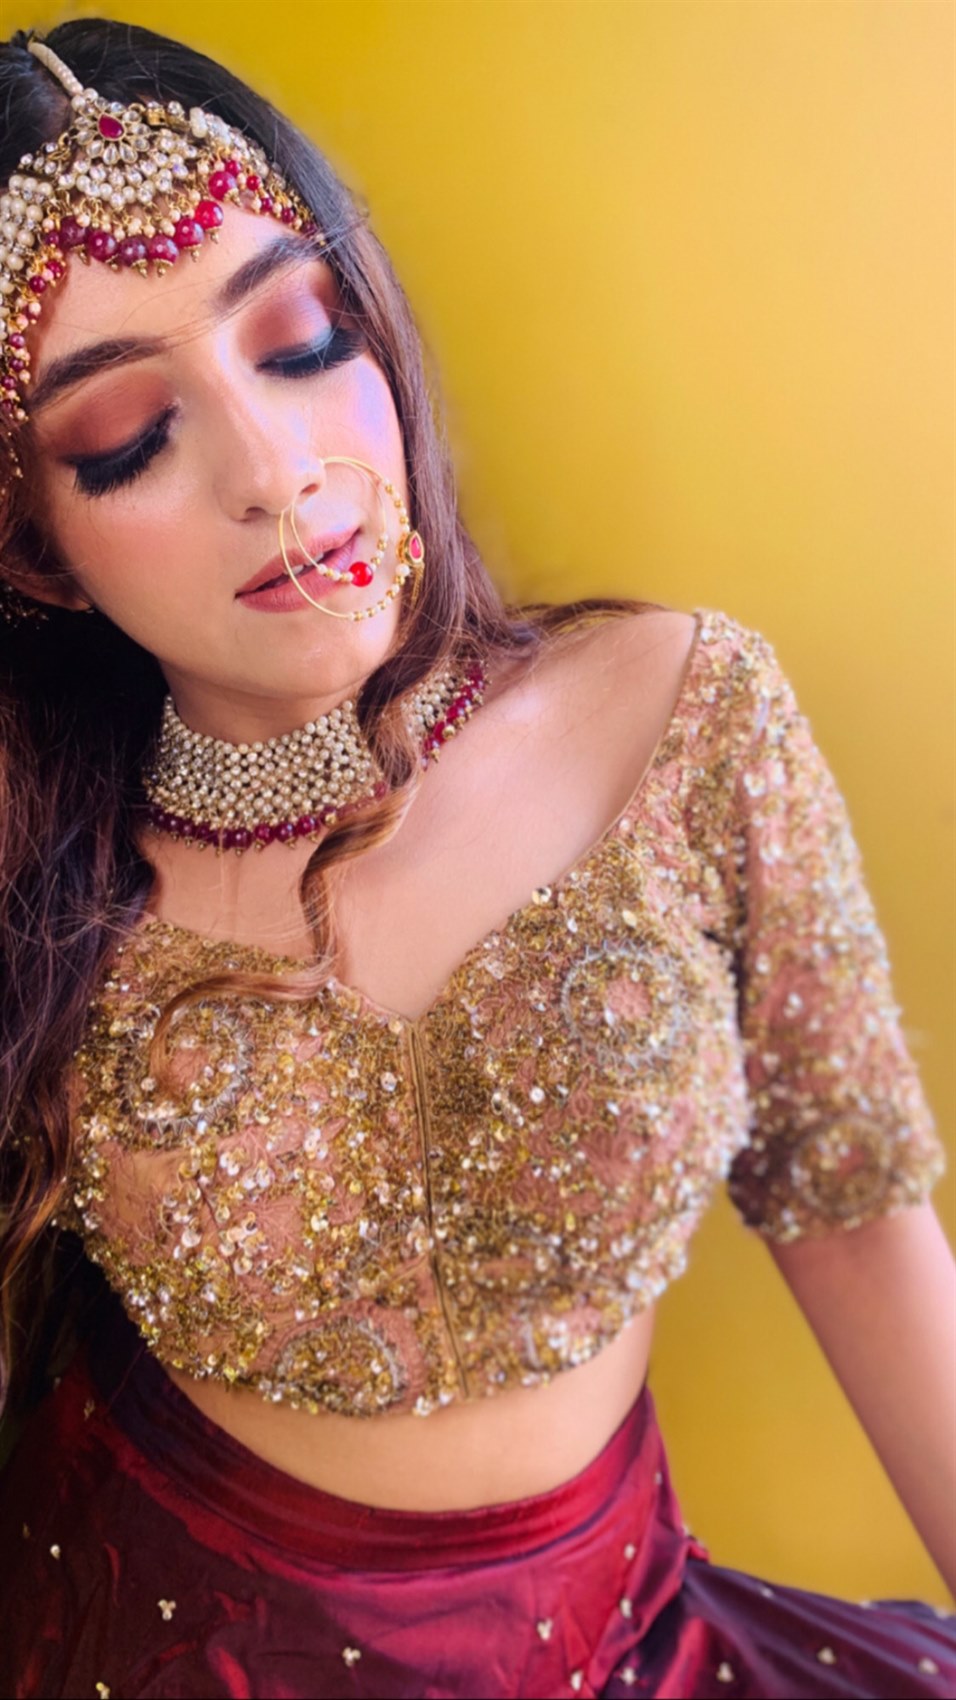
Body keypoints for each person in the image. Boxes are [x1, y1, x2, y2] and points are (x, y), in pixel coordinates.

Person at [0, 18, 953, 1700]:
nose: (277, 471)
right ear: (39, 550)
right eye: (130, 437)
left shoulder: (678, 715)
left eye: (302, 341)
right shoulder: (47, 897)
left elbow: (859, 1214)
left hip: (627, 1646)